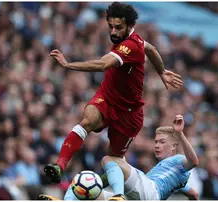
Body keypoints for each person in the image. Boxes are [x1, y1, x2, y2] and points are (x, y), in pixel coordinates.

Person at [44, 2, 183, 200]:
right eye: (110, 26)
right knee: (88, 121)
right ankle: (60, 166)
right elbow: (150, 49)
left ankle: (106, 194)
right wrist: (161, 71)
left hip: (129, 114)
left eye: (118, 27)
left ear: (129, 26)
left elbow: (102, 64)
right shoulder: (136, 41)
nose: (113, 31)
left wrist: (68, 64)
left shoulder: (131, 46)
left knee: (113, 161)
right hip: (107, 98)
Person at [41, 114, 198, 200]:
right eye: (156, 141)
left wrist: (179, 133)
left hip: (150, 192)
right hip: (138, 197)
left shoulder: (178, 160)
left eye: (162, 142)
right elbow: (194, 194)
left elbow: (193, 161)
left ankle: (118, 196)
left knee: (108, 160)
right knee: (81, 185)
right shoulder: (172, 175)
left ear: (174, 146)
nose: (156, 145)